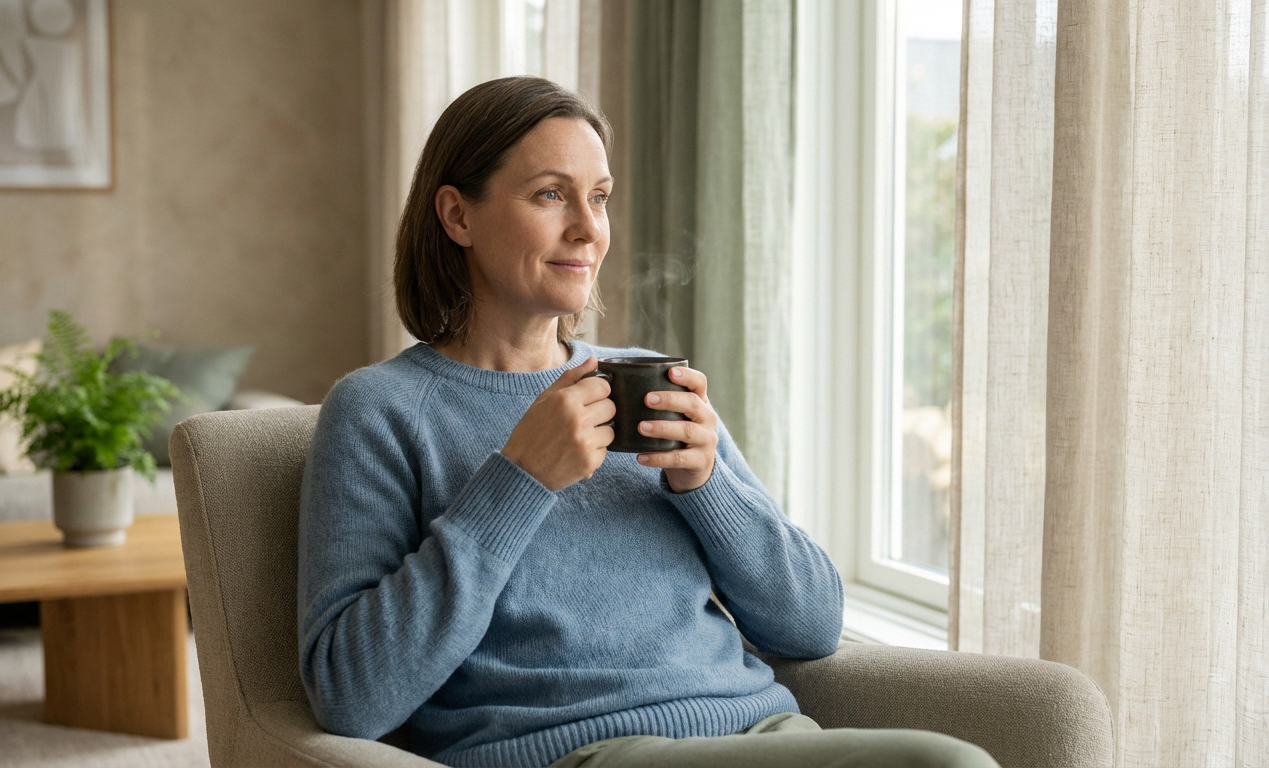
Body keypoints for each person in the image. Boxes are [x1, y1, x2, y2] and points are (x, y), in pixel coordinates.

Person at [298, 76, 999, 768]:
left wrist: (708, 485)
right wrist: (517, 481)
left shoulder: (646, 382)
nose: (588, 228)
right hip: (582, 752)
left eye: (599, 198)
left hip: (762, 736)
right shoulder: (380, 411)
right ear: (457, 216)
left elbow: (812, 627)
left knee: (952, 760)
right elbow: (352, 697)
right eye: (551, 194)